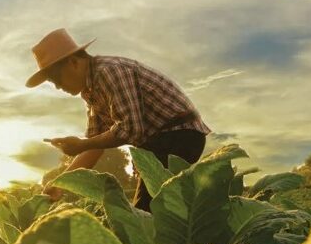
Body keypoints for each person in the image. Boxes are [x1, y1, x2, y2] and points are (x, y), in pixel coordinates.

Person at [27, 28, 211, 212]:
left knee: (146, 214)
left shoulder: (109, 72)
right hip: (158, 143)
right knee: (159, 210)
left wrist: (82, 145)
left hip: (180, 135)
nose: (58, 87)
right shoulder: (91, 91)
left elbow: (131, 130)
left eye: (56, 79)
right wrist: (60, 183)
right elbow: (94, 147)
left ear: (73, 62)